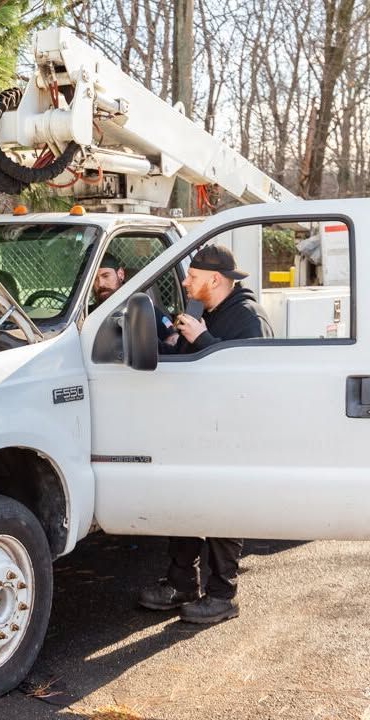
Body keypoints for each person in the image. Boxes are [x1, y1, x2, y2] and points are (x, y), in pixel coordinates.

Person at [139, 244, 274, 624]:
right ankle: (181, 584)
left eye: (192, 277)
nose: (185, 281)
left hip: (231, 435)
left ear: (214, 280)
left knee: (221, 510)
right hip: (196, 429)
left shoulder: (248, 318)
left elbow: (252, 380)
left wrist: (202, 340)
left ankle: (222, 595)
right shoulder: (205, 312)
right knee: (186, 505)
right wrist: (173, 346)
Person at [90, 253, 179, 344]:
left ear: (120, 274)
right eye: (94, 279)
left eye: (105, 276)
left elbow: (173, 338)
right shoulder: (87, 315)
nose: (100, 284)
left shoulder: (142, 308)